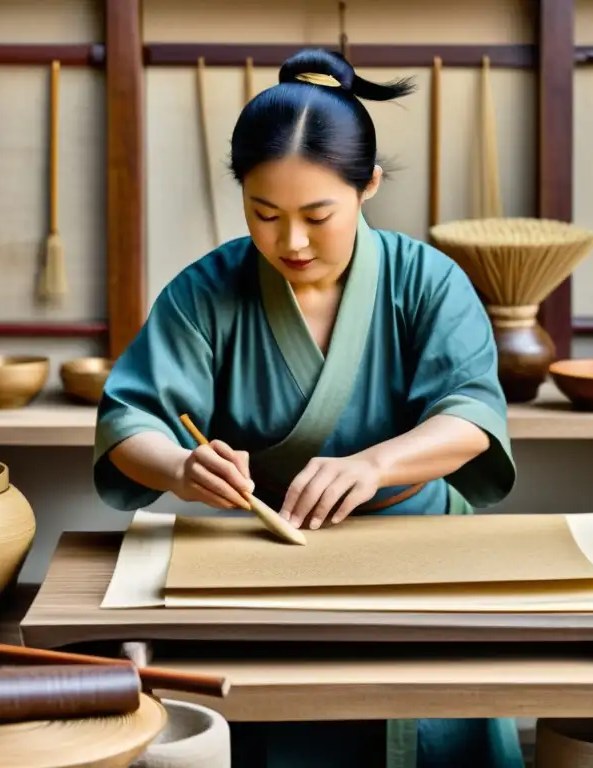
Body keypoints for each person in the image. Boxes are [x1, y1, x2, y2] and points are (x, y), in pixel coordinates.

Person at [93, 47, 522, 768]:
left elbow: (472, 415)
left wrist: (376, 464)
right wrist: (181, 465)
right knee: (283, 734)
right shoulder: (207, 291)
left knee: (437, 737)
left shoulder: (427, 281)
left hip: (419, 554)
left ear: (369, 186)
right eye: (264, 214)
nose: (289, 241)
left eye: (317, 214)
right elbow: (130, 421)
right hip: (265, 559)